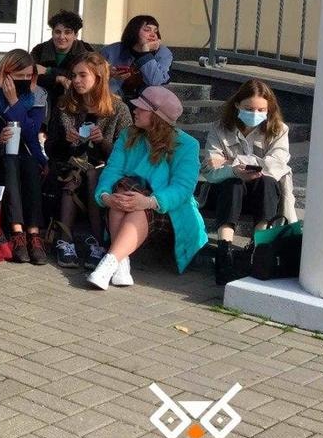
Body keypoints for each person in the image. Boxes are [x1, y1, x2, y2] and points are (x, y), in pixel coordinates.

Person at [90, 86, 207, 290]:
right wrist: (106, 196)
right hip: (130, 200)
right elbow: (113, 170)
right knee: (123, 191)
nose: (134, 110)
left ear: (157, 116)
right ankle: (120, 263)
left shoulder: (188, 145)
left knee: (136, 203)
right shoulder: (128, 134)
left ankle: (110, 261)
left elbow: (183, 188)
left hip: (170, 211)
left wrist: (150, 201)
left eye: (141, 108)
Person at [202, 79, 292, 285]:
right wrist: (234, 171)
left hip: (262, 192)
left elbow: (276, 164)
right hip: (225, 193)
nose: (255, 114)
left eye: (261, 110)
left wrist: (231, 161)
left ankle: (258, 249)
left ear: (269, 109)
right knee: (233, 183)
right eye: (249, 109)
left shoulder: (279, 130)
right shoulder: (219, 128)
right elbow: (210, 169)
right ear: (237, 105)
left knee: (267, 183)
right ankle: (224, 251)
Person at [47, 53, 132, 268]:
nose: (76, 80)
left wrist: (103, 142)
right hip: (70, 164)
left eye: (83, 75)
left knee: (92, 175)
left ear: (99, 77)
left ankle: (98, 243)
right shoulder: (65, 105)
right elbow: (50, 148)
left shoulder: (118, 109)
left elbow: (127, 154)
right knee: (72, 175)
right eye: (74, 75)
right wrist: (65, 141)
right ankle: (65, 242)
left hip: (105, 167)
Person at [0, 49, 49, 265]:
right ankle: (17, 232)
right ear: (6, 74)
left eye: (29, 75)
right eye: (19, 76)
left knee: (28, 162)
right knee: (11, 161)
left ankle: (34, 234)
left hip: (29, 154)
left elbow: (31, 133)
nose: (25, 80)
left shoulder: (38, 95)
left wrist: (14, 103)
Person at [101, 15, 172, 99]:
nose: (153, 34)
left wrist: (145, 52)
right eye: (147, 30)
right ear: (134, 31)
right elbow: (93, 78)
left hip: (147, 102)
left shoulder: (163, 52)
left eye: (156, 31)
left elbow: (156, 81)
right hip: (111, 98)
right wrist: (109, 75)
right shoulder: (109, 51)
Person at [30, 9, 95, 100]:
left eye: (67, 32)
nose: (61, 37)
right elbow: (29, 75)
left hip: (77, 99)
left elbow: (88, 77)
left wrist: (49, 71)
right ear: (52, 33)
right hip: (43, 98)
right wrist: (57, 79)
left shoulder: (86, 51)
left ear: (75, 35)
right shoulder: (39, 50)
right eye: (58, 32)